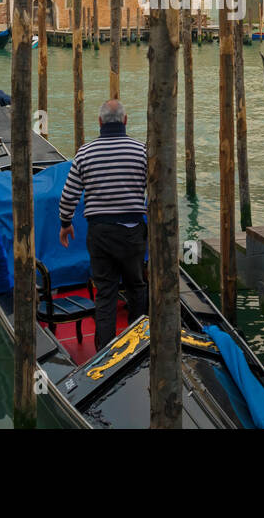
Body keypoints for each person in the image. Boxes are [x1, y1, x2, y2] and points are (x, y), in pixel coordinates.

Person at [58, 99, 148, 347]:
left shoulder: (85, 153)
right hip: (132, 232)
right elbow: (158, 192)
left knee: (106, 292)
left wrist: (66, 223)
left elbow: (69, 195)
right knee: (136, 288)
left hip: (100, 233)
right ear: (125, 120)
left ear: (99, 122)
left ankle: (104, 351)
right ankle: (137, 345)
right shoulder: (142, 151)